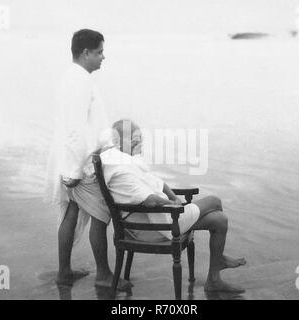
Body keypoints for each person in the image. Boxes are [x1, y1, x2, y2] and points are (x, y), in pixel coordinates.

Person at [98, 119, 247, 293]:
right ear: (120, 142)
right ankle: (218, 262)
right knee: (214, 201)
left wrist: (174, 198)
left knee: (219, 220)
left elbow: (156, 182)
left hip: (157, 219)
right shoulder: (121, 169)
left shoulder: (125, 161)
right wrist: (173, 205)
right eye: (134, 139)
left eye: (140, 138)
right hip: (153, 228)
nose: (140, 143)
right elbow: (150, 200)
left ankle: (214, 280)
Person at [45, 29, 113, 286]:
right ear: (85, 53)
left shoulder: (74, 77)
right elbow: (74, 128)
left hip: (78, 158)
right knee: (100, 214)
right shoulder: (78, 80)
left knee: (71, 213)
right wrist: (74, 172)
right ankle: (104, 275)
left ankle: (65, 271)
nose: (102, 57)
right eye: (99, 52)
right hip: (80, 163)